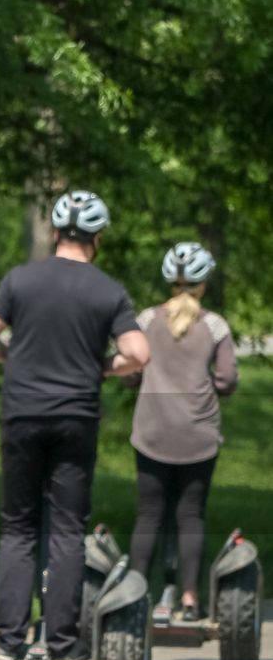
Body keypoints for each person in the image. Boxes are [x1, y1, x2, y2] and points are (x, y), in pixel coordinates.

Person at [0, 190, 150, 660]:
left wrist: (13, 358)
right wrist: (101, 368)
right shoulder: (108, 290)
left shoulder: (20, 280)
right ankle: (63, 646)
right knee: (68, 530)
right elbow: (138, 354)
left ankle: (8, 643)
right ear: (98, 238)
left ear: (54, 233)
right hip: (76, 416)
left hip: (22, 413)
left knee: (18, 528)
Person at [126, 243, 238, 619]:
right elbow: (227, 380)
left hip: (152, 431)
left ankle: (137, 597)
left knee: (149, 515)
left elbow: (131, 370)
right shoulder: (215, 325)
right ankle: (189, 599)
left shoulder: (145, 321)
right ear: (203, 283)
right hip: (198, 435)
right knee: (191, 516)